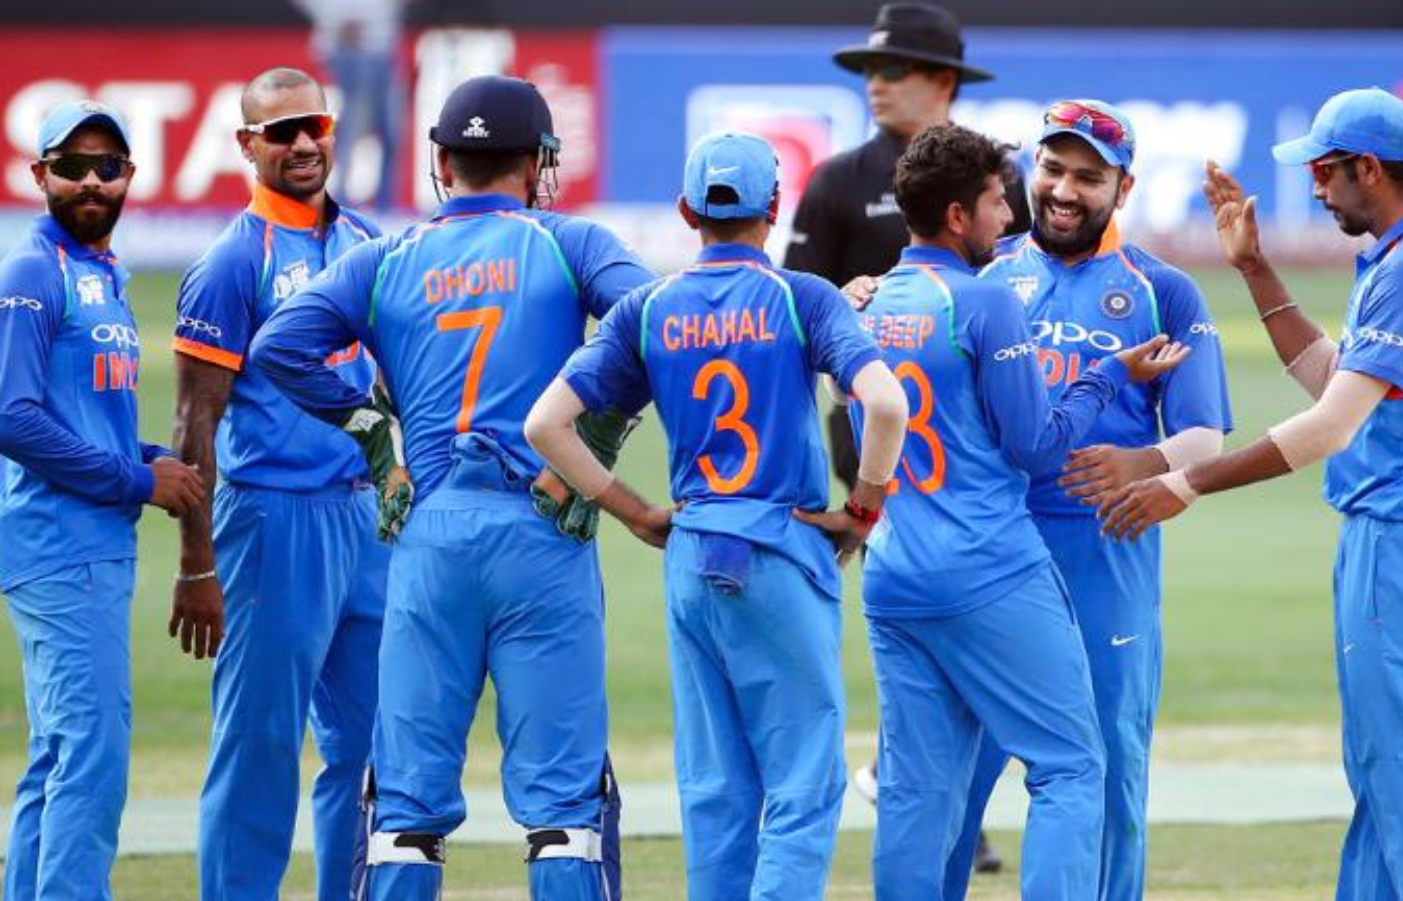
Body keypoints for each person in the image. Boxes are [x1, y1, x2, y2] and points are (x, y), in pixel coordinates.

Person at [248, 74, 654, 901]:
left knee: (404, 812)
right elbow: (656, 321)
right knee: (565, 810)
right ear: (536, 163)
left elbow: (278, 346)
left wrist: (372, 432)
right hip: (544, 529)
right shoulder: (568, 241)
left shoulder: (385, 257)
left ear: (441, 163)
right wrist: (594, 438)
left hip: (429, 536)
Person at [1100, 88, 1403, 901]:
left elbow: (1328, 429)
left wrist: (1187, 480)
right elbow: (1331, 381)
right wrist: (1253, 267)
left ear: (1368, 169)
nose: (1315, 189)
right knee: (1382, 767)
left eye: (1323, 172)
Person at [525, 131, 910, 901]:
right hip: (781, 549)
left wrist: (632, 510)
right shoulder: (804, 297)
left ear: (685, 211)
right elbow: (886, 404)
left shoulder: (647, 307)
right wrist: (864, 507)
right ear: (776, 207)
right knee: (804, 782)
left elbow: (545, 426)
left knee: (714, 788)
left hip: (693, 555)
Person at [851, 123, 1187, 901]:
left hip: (893, 570)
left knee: (916, 786)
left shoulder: (872, 300)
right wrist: (1106, 375)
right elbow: (1038, 448)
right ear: (959, 216)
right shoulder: (985, 299)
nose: (1011, 216)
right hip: (986, 567)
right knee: (1071, 765)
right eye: (996, 201)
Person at [945, 100, 1233, 901]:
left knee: (1107, 767)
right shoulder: (983, 276)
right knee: (957, 773)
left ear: (1123, 187)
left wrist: (1147, 460)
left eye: (1088, 177)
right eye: (1052, 169)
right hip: (996, 550)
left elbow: (1204, 437)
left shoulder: (1163, 290)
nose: (1065, 190)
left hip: (1108, 555)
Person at [786, 2, 1028, 870]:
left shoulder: (999, 180)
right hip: (875, 440)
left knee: (963, 611)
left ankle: (921, 785)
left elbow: (1030, 281)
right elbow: (793, 310)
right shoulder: (837, 181)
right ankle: (894, 782)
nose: (875, 84)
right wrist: (840, 304)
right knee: (909, 612)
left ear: (944, 82)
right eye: (868, 71)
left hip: (982, 435)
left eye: (893, 69)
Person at [169, 66, 389, 901]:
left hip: (365, 517)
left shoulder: (367, 239)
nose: (302, 144)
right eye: (281, 131)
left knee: (373, 747)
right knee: (260, 746)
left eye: (314, 127)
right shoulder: (232, 262)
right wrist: (197, 565)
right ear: (246, 145)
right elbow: (193, 427)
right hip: (271, 520)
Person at [0, 99, 205, 901]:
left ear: (129, 176)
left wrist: (151, 456)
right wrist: (137, 480)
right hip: (62, 544)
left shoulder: (100, 274)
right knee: (91, 755)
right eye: (73, 165)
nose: (92, 180)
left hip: (85, 546)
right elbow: (12, 417)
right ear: (39, 173)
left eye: (108, 166)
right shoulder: (33, 271)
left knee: (58, 755)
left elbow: (78, 416)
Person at [290, 0, 407, 208]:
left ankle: (386, 202)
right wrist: (336, 21)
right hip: (344, 50)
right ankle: (340, 195)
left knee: (391, 131)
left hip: (383, 52)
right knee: (351, 128)